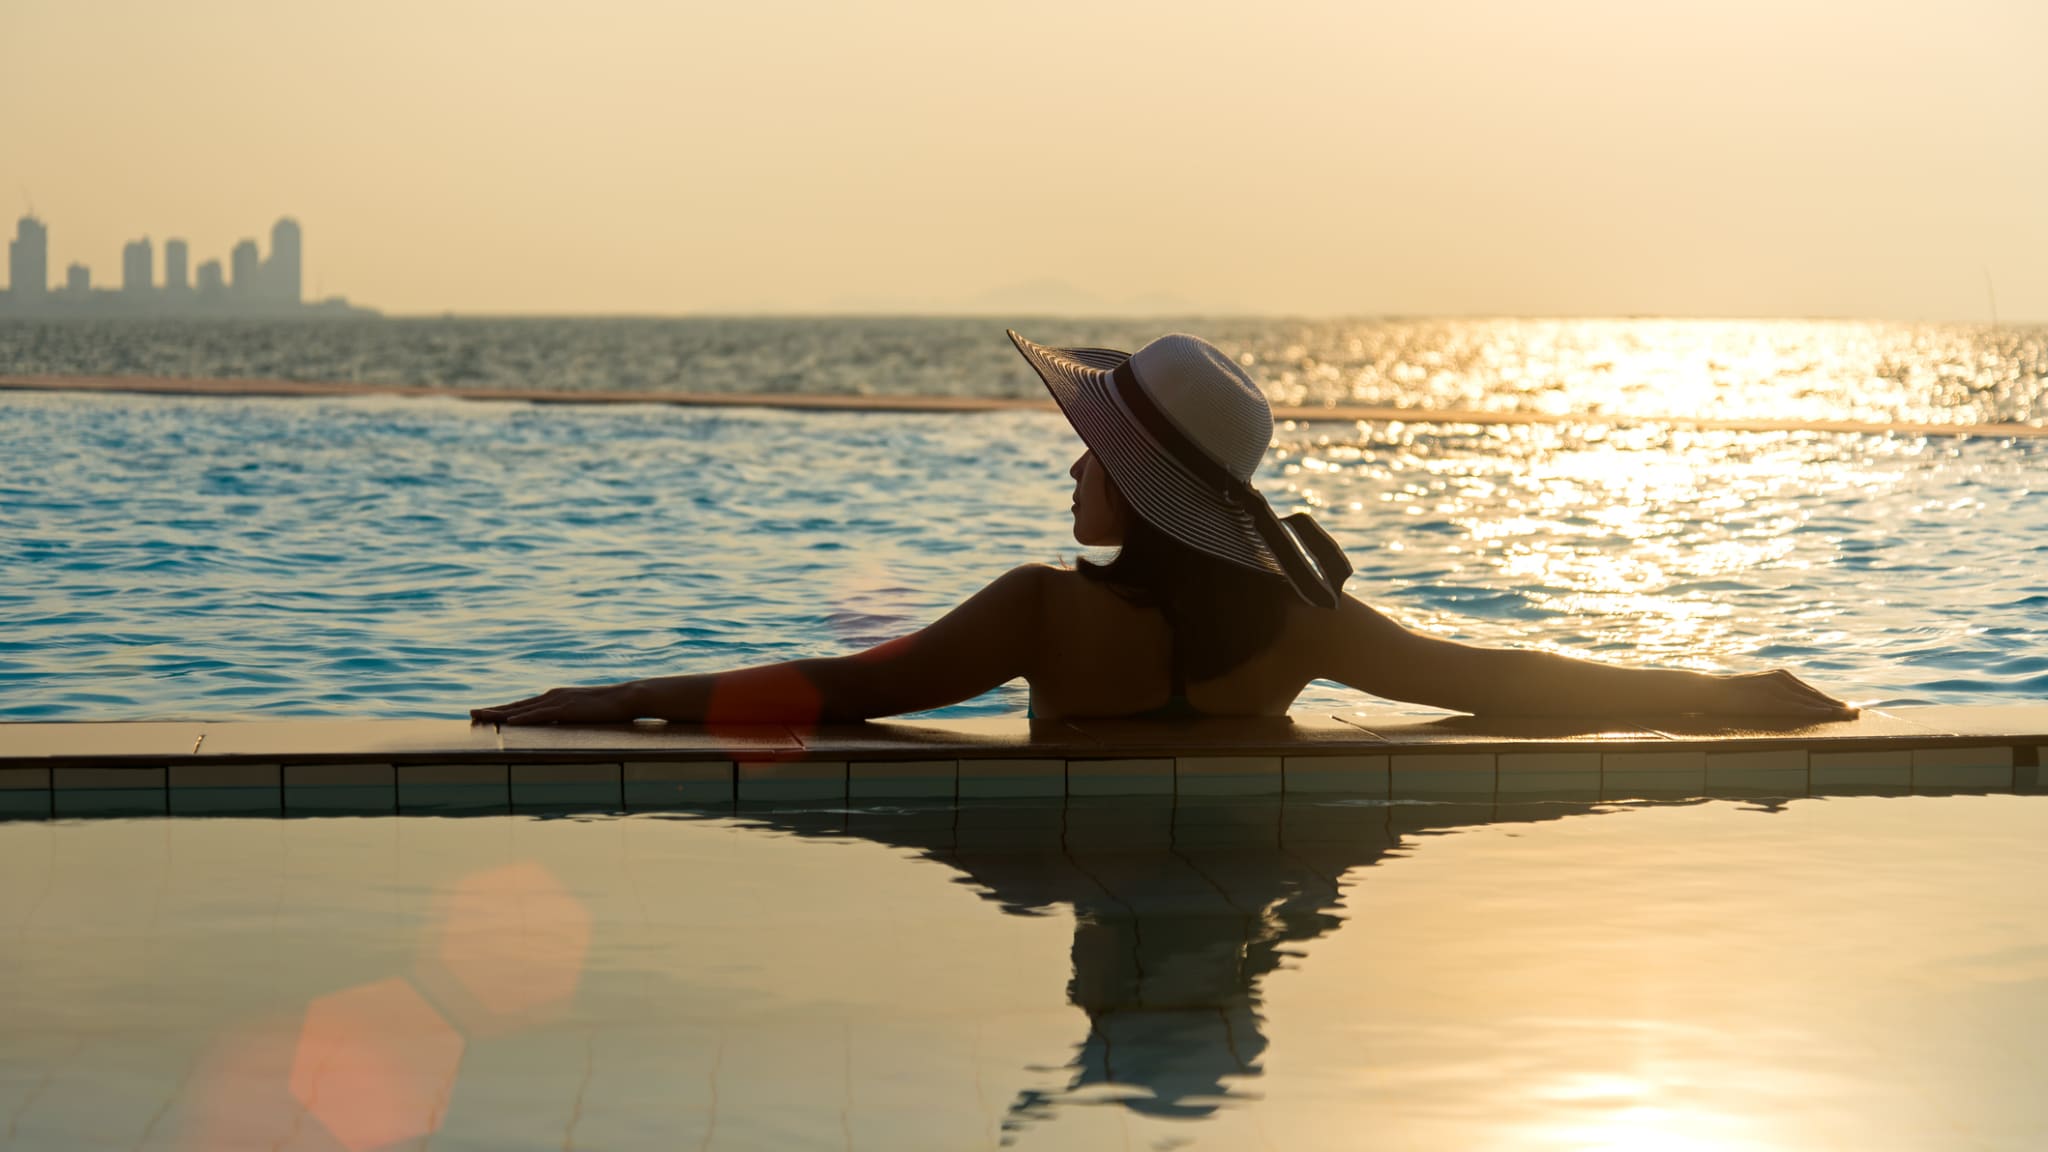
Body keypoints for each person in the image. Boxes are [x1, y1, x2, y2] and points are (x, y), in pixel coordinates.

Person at [472, 330, 1854, 728]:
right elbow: (1500, 683)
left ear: (1136, 487)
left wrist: (615, 695)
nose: (1071, 475)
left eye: (1090, 457)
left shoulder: (1042, 612)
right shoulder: (1302, 624)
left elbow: (845, 694)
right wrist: (1732, 694)